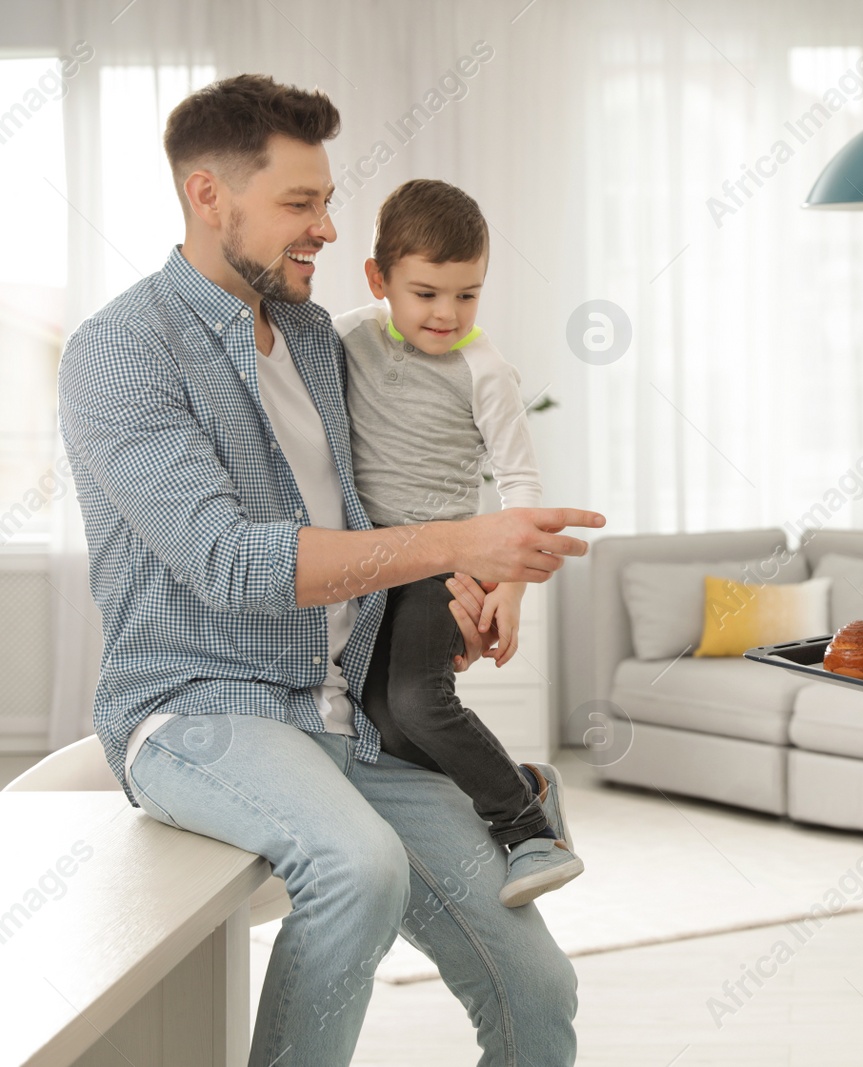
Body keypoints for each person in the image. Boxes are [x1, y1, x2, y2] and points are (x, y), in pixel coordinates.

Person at [57, 73, 601, 1067]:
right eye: (299, 203)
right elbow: (228, 560)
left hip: (349, 713)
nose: (324, 226)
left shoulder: (312, 336)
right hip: (197, 707)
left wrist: (458, 589)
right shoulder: (123, 351)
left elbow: (372, 504)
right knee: (358, 866)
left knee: (540, 990)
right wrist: (458, 543)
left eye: (326, 198)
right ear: (209, 197)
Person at [334, 178, 582, 907]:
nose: (447, 314)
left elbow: (521, 485)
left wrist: (509, 588)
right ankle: (523, 780)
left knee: (417, 700)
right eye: (426, 293)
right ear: (379, 280)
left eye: (466, 295)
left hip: (443, 562)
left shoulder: (485, 370)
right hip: (365, 562)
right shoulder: (345, 338)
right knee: (379, 722)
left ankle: (526, 826)